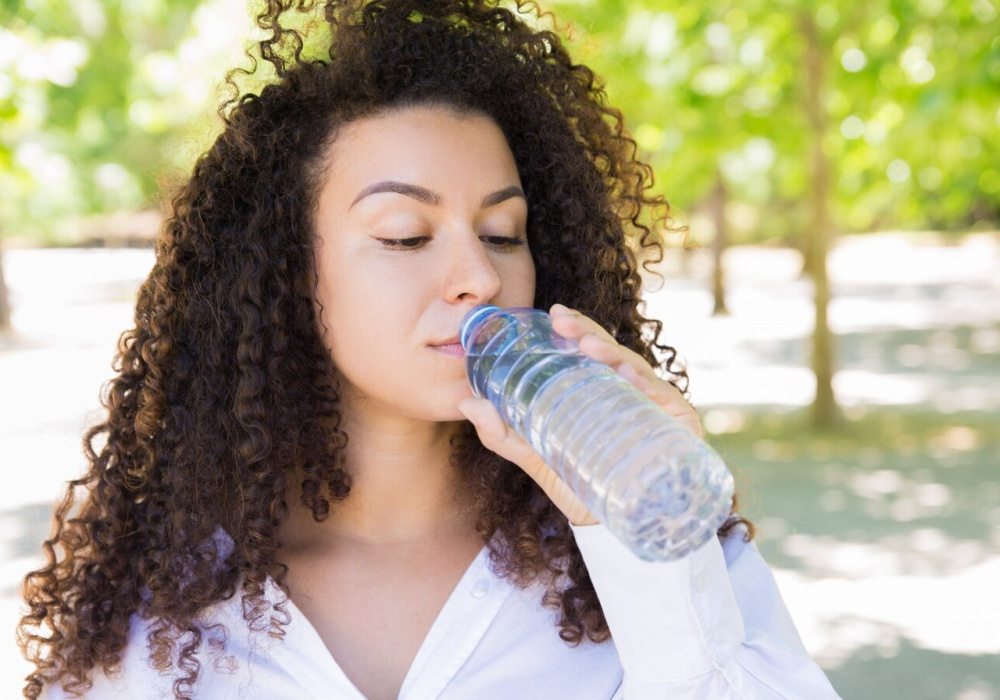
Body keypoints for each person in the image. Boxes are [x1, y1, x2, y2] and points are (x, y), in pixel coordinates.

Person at [19, 1, 840, 698]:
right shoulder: (157, 592)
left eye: (502, 232)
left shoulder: (642, 547)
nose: (478, 275)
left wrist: (637, 537)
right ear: (284, 272)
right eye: (406, 236)